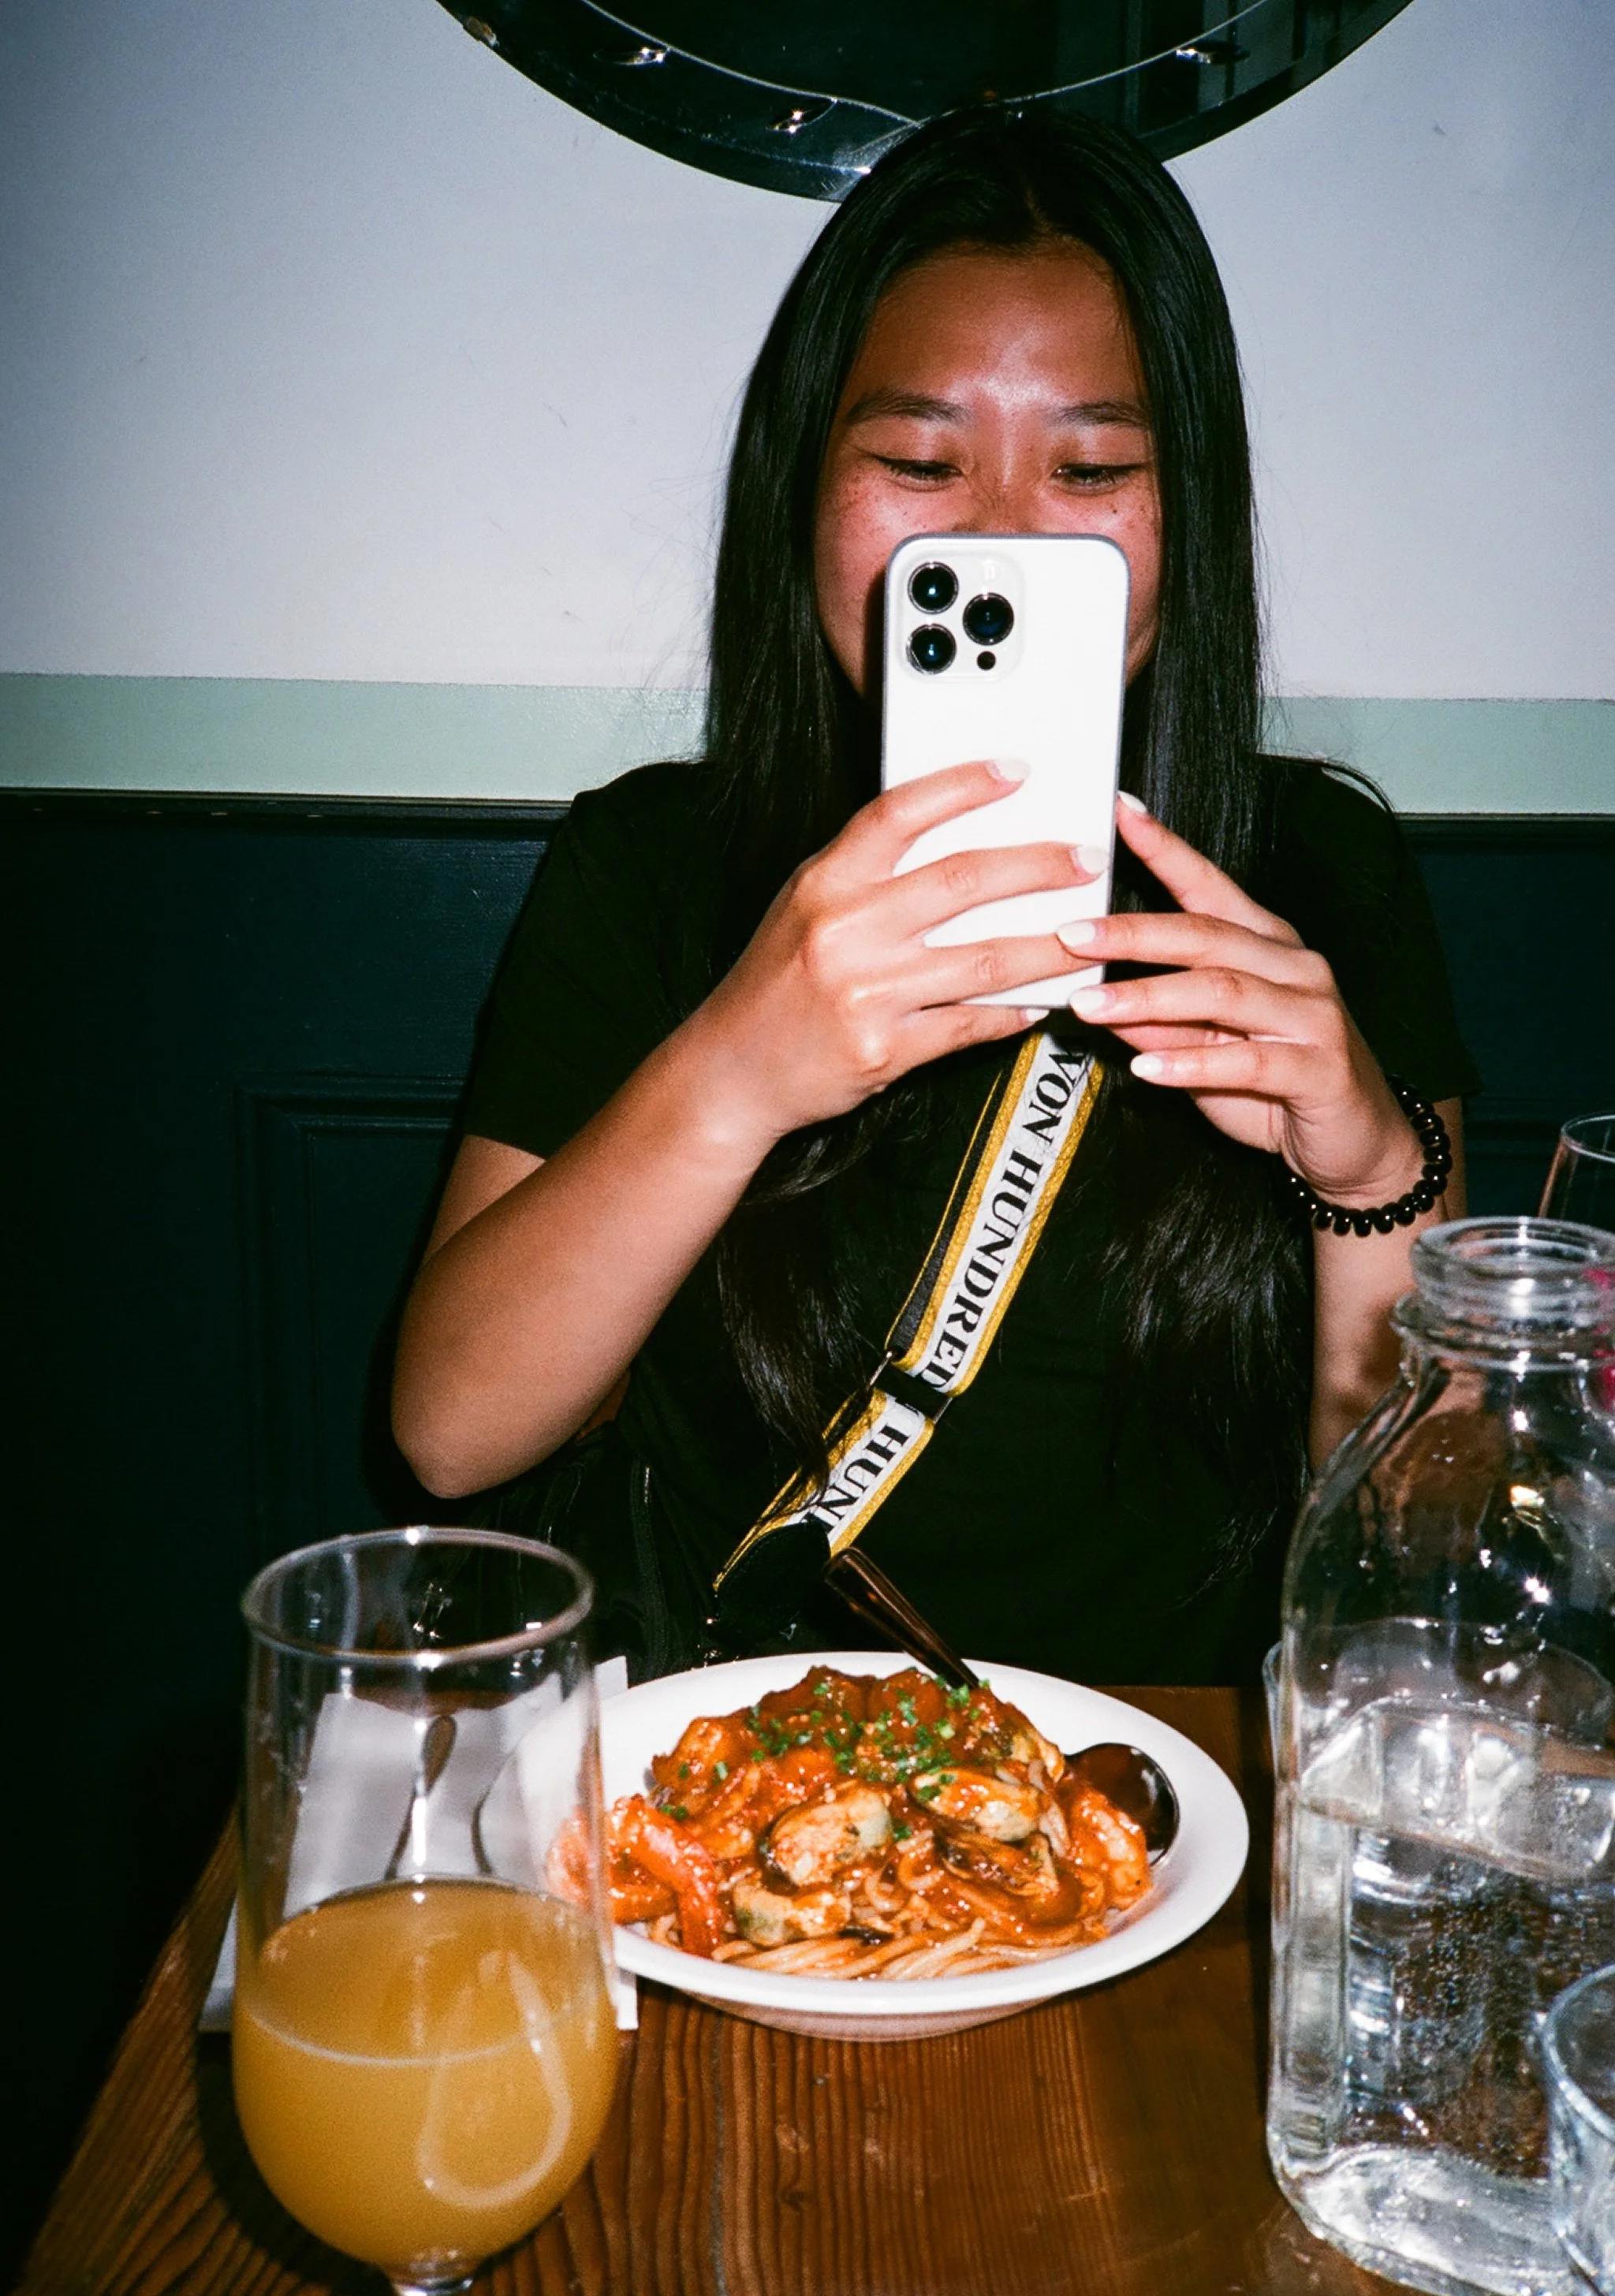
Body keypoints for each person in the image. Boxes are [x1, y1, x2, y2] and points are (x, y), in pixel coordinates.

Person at [391, 108, 1477, 1687]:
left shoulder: (1314, 872)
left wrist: (1369, 1162)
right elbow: (447, 1432)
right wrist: (738, 1068)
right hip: (738, 1780)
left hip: (1167, 1794)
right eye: (915, 461)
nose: (996, 538)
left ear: (1192, 516)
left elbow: (1422, 1541)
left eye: (1092, 468)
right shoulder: (653, 863)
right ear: (803, 487)